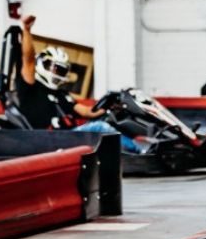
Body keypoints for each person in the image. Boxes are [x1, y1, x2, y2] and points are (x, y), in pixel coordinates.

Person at [15, 15, 139, 150]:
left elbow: (87, 112)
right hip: (51, 139)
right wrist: (26, 30)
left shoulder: (61, 94)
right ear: (42, 63)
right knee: (100, 127)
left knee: (105, 122)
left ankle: (130, 152)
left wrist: (110, 105)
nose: (56, 73)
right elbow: (28, 60)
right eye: (54, 68)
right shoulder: (31, 87)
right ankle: (141, 152)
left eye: (61, 70)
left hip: (68, 135)